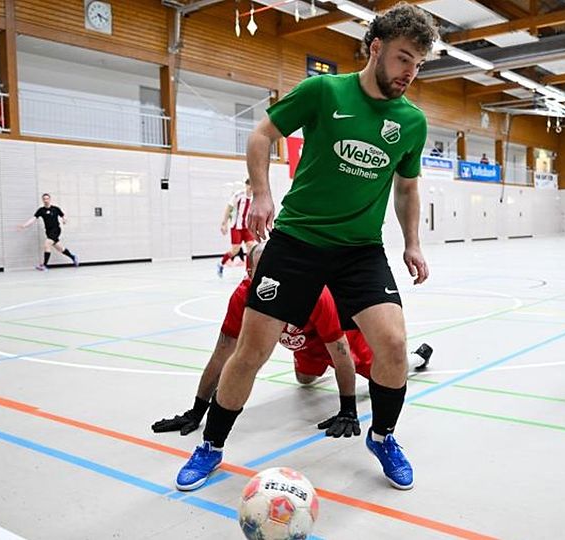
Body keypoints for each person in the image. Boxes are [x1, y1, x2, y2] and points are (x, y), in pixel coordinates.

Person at [174, 4, 439, 492]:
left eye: (419, 65)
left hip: (360, 249)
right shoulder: (324, 91)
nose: (410, 73)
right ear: (376, 48)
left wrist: (414, 243)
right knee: (252, 351)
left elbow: (406, 188)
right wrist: (261, 192)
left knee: (395, 345)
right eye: (404, 59)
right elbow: (261, 135)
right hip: (297, 241)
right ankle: (210, 447)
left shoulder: (411, 121)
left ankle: (383, 436)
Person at [152, 243, 432, 440]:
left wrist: (347, 409)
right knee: (304, 380)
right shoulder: (244, 298)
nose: (270, 281)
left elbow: (341, 354)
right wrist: (197, 410)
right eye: (260, 275)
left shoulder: (316, 295)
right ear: (248, 273)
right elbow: (222, 354)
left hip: (342, 341)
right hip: (306, 346)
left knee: (387, 372)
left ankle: (417, 357)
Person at [18, 193, 78, 271]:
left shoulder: (55, 209)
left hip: (56, 230)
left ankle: (45, 265)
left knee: (47, 244)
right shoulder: (41, 210)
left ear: (49, 199)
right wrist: (24, 226)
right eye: (44, 199)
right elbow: (33, 219)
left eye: (47, 199)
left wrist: (64, 220)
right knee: (60, 248)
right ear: (42, 200)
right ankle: (73, 257)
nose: (46, 200)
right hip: (48, 231)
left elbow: (63, 215)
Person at [217, 179, 255, 277]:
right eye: (249, 185)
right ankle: (221, 264)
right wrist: (224, 223)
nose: (250, 188)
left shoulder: (255, 197)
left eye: (252, 185)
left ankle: (248, 272)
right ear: (246, 185)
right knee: (235, 250)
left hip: (247, 227)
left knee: (251, 247)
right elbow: (228, 208)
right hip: (236, 227)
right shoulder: (239, 195)